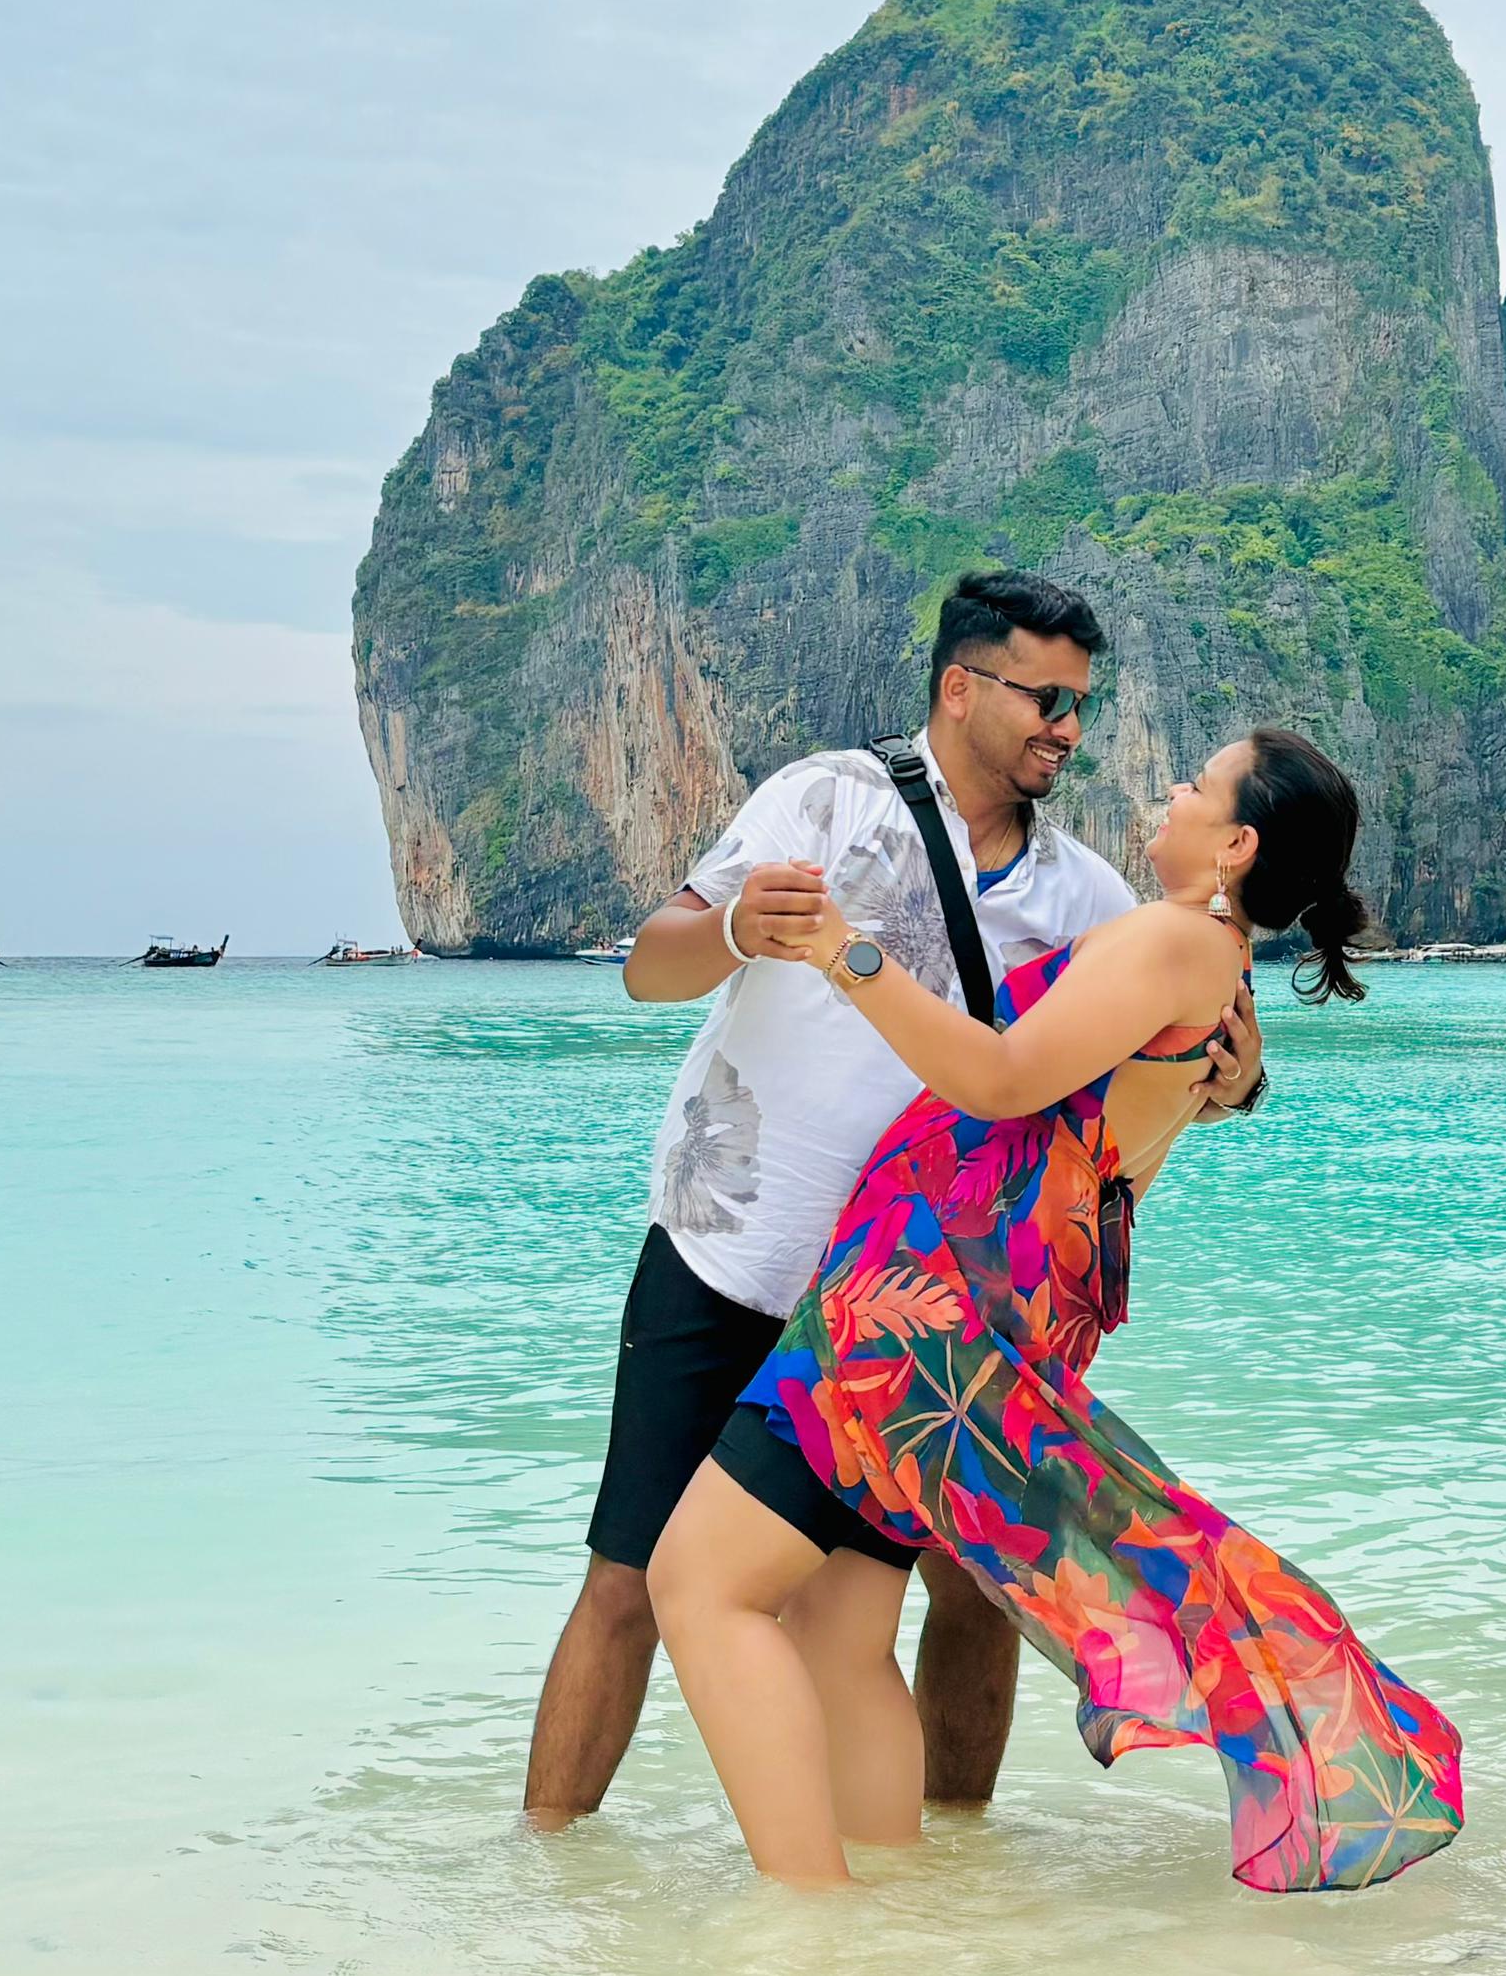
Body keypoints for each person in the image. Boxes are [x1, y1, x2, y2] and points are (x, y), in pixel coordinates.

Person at [647, 729, 1462, 1894]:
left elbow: (997, 1080)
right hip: (950, 1310)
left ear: (1234, 843)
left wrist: (843, 952)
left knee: (697, 1585)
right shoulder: (1206, 967)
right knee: (834, 1633)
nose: (1170, 789)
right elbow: (1108, 1150)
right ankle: (891, 1920)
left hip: (918, 1320)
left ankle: (808, 1922)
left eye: (1197, 783)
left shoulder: (1176, 942)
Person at [521, 569, 1266, 1825]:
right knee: (629, 1575)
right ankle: (543, 1863)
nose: (1067, 729)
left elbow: (1161, 1056)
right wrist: (736, 930)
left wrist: (1237, 1085)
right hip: (731, 1251)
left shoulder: (1087, 896)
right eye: (1043, 698)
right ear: (959, 687)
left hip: (910, 1308)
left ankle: (938, 1873)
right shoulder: (822, 798)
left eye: (1079, 704)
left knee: (963, 1593)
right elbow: (650, 966)